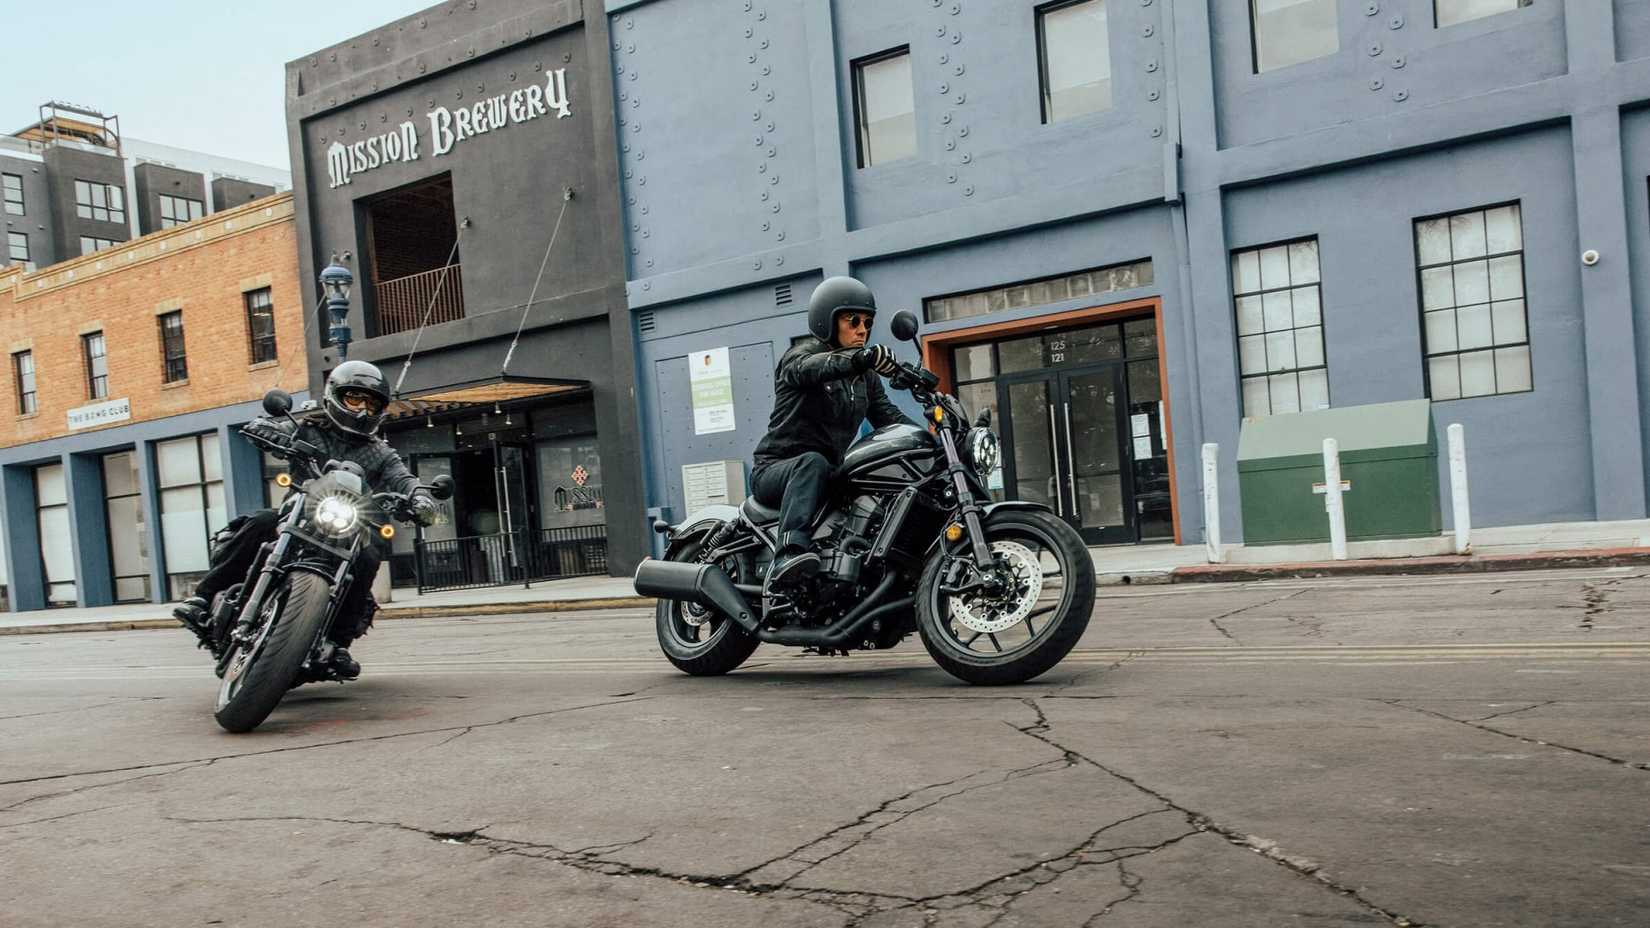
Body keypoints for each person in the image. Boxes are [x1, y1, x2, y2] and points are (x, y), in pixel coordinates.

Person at [173, 361, 438, 677]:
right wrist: (267, 430)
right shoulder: (309, 428)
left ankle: (337, 644)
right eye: (355, 399)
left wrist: (420, 498)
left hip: (347, 525)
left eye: (371, 403)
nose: (363, 410)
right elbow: (272, 427)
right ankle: (202, 598)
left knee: (368, 556)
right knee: (259, 522)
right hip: (298, 512)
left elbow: (403, 478)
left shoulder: (381, 452)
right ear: (335, 396)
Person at [750, 276, 914, 591]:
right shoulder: (800, 355)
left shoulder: (864, 377)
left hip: (828, 474)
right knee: (812, 462)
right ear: (828, 320)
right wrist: (858, 359)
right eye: (853, 321)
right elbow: (809, 369)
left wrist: (929, 440)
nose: (862, 329)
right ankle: (790, 552)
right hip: (776, 470)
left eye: (867, 322)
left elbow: (888, 418)